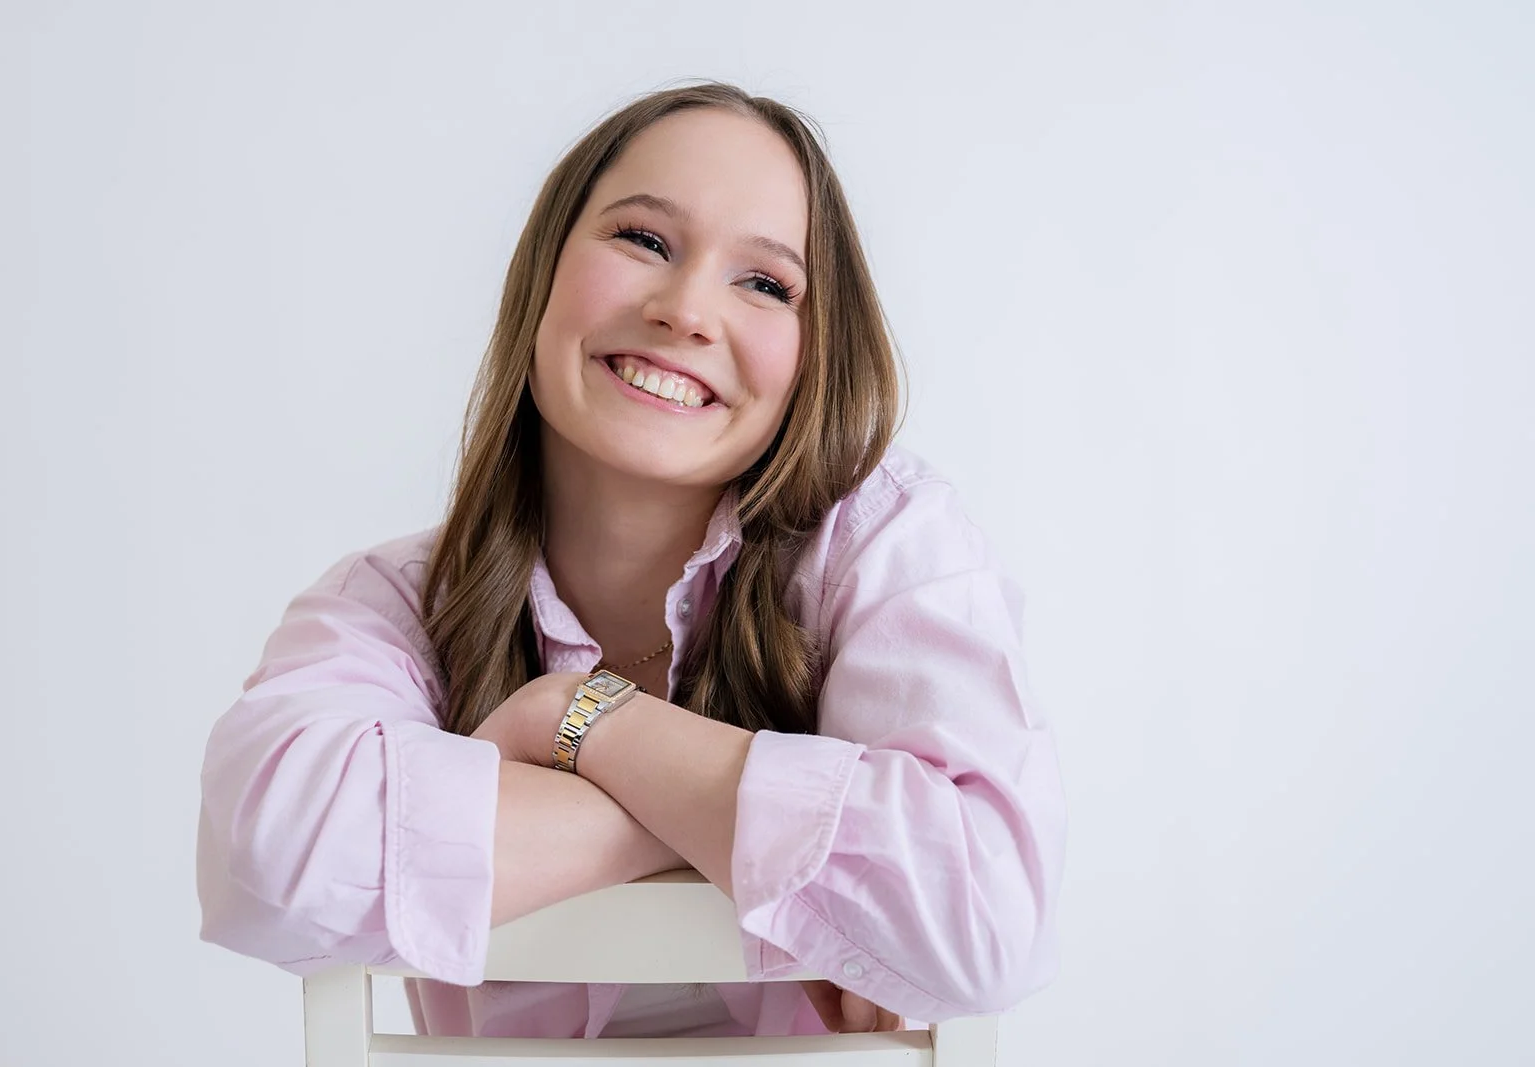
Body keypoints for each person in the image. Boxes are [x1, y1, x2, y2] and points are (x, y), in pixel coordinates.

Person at [196, 81, 1066, 1040]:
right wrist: (722, 822)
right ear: (544, 273)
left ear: (814, 359)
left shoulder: (885, 546)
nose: (688, 310)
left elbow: (984, 916)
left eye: (767, 283)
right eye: (644, 239)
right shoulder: (395, 602)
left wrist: (581, 722)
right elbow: (269, 857)